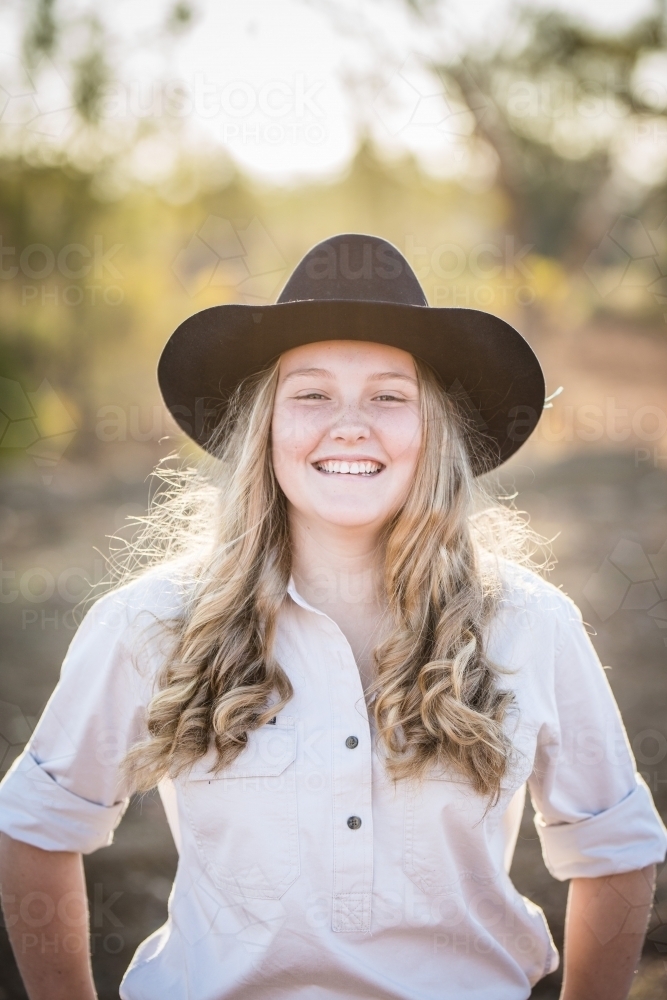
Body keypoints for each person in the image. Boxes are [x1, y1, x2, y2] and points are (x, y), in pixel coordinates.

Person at [0, 234, 665, 1000]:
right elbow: (37, 827)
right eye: (311, 394)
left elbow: (614, 849)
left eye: (389, 396)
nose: (349, 424)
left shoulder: (529, 623)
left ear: (431, 433)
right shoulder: (151, 619)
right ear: (266, 431)